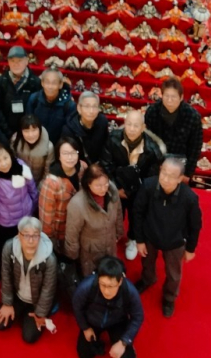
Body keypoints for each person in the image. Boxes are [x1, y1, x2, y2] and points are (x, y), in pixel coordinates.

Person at [133, 156, 202, 317]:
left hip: (175, 241)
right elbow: (137, 212)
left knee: (173, 273)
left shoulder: (189, 198)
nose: (165, 178)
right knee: (147, 262)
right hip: (150, 235)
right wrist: (140, 239)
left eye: (171, 176)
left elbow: (195, 225)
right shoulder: (149, 185)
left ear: (180, 179)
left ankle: (169, 297)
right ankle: (147, 279)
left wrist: (191, 248)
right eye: (163, 173)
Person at [109, 109, 165, 260]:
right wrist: (116, 187)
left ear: (143, 127)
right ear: (124, 124)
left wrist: (135, 192)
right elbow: (106, 164)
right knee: (113, 212)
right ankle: (112, 236)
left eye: (136, 125)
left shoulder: (152, 149)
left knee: (136, 214)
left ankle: (132, 239)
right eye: (129, 124)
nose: (132, 129)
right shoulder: (112, 138)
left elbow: (151, 178)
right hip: (117, 186)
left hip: (138, 189)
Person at [0, 142, 38, 282]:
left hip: (24, 221)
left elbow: (32, 190)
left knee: (22, 250)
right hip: (3, 223)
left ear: (11, 156)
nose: (3, 163)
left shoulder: (21, 166)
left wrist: (33, 211)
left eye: (5, 158)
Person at [0, 216, 57, 344]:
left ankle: (27, 317)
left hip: (35, 303)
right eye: (26, 235)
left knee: (29, 337)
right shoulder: (9, 248)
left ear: (40, 236)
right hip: (17, 297)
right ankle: (18, 313)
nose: (30, 240)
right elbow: (5, 276)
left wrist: (40, 314)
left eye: (35, 236)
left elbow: (48, 289)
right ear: (19, 235)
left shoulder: (50, 259)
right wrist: (7, 303)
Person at [72, 255, 144, 358]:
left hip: (117, 322)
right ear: (97, 278)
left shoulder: (129, 291)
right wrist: (85, 328)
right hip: (92, 321)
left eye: (111, 286)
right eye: (103, 285)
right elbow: (77, 307)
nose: (106, 291)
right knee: (84, 356)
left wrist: (124, 341)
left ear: (120, 281)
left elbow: (138, 317)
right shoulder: (86, 287)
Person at [64, 163, 123, 277]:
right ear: (88, 184)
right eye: (98, 185)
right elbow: (72, 232)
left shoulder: (112, 191)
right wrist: (73, 255)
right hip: (90, 249)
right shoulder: (77, 204)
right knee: (93, 277)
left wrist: (118, 232)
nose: (103, 188)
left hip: (110, 241)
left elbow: (118, 211)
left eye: (105, 183)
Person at [144, 78, 203, 182]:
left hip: (180, 163)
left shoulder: (193, 116)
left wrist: (188, 173)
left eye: (173, 97)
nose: (169, 100)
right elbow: (148, 142)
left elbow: (195, 147)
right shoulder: (152, 112)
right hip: (156, 162)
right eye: (166, 96)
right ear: (161, 95)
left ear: (181, 97)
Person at [39, 136, 86, 255]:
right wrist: (49, 238)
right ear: (58, 155)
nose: (70, 157)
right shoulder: (51, 181)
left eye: (73, 153)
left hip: (80, 224)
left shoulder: (82, 168)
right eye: (65, 153)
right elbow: (46, 216)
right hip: (61, 229)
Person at [0, 45, 41, 137]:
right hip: (5, 132)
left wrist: (28, 130)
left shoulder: (36, 82)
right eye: (12, 61)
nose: (16, 64)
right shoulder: (1, 82)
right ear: (8, 62)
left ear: (26, 61)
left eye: (19, 61)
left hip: (29, 132)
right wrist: (7, 132)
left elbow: (37, 109)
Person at [61, 91, 112, 169]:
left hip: (99, 165)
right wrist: (78, 162)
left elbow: (106, 146)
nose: (91, 111)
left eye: (94, 106)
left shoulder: (102, 122)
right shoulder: (68, 129)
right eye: (87, 106)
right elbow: (67, 153)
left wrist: (102, 164)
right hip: (77, 166)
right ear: (79, 108)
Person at [26, 69, 77, 145]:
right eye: (47, 82)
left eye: (54, 83)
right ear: (42, 83)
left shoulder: (69, 105)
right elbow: (28, 123)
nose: (50, 86)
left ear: (60, 85)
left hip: (58, 145)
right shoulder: (34, 99)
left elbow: (69, 131)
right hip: (36, 143)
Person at [10, 114, 54, 185]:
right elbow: (13, 162)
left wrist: (40, 188)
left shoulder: (49, 147)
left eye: (34, 130)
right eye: (26, 131)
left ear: (39, 129)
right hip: (21, 181)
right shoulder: (15, 140)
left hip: (38, 183)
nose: (31, 135)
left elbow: (47, 172)